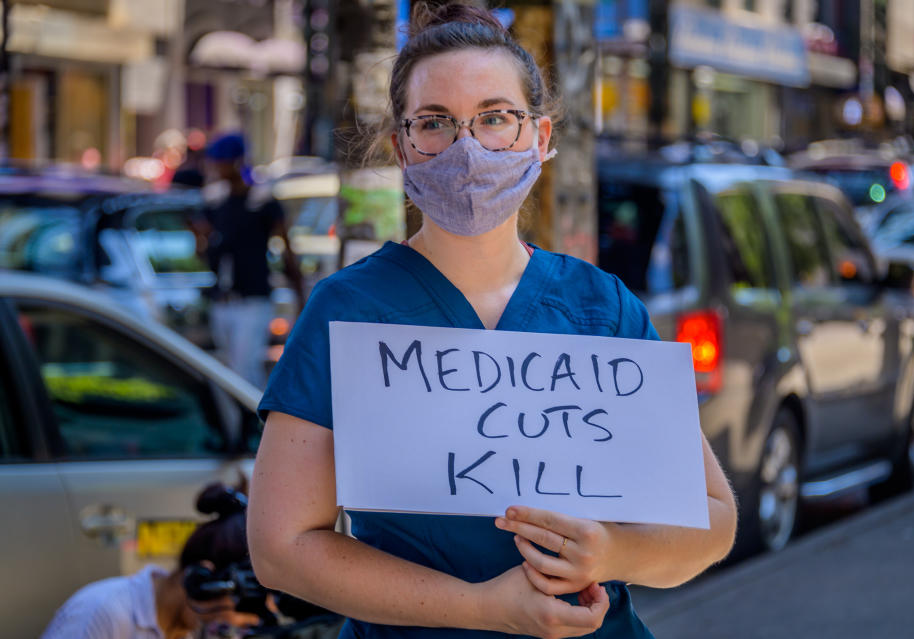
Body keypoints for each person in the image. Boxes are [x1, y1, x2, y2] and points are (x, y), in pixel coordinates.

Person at [247, 4, 737, 638]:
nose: (467, 147)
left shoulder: (603, 307)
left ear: (537, 135)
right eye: (435, 123)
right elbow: (281, 546)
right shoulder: (347, 314)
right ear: (402, 146)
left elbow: (713, 518)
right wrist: (482, 608)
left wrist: (615, 554)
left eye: (495, 118)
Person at [41, 483, 264, 639]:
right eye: (244, 619)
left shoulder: (194, 629)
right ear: (202, 581)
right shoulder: (103, 611)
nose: (244, 628)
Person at [201, 133, 304, 387]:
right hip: (223, 299)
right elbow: (206, 251)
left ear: (237, 162)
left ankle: (254, 422)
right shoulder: (215, 201)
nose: (217, 168)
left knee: (244, 369)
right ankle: (237, 424)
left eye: (222, 162)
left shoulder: (262, 200)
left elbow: (284, 245)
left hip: (254, 298)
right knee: (226, 372)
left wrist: (299, 290)